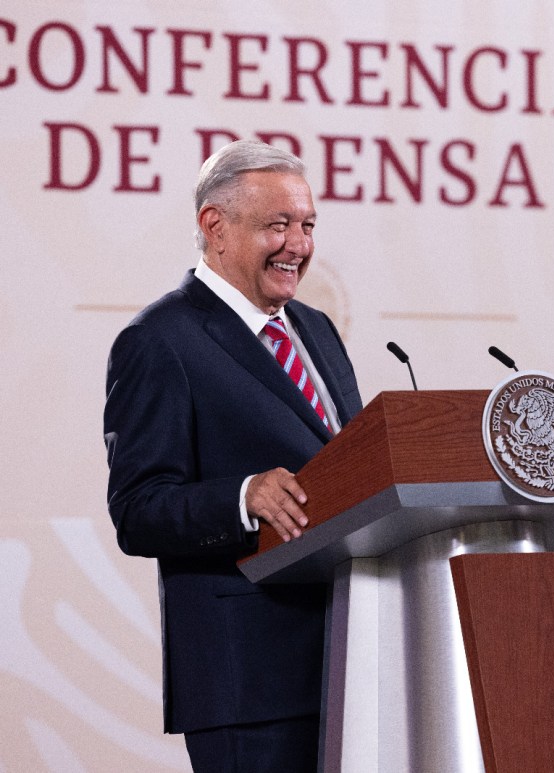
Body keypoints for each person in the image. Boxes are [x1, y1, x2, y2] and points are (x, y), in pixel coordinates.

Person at [103, 140, 363, 772]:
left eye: (306, 225)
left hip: (351, 663)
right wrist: (241, 496)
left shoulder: (316, 330)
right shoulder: (158, 342)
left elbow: (350, 464)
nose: (298, 245)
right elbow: (138, 510)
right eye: (278, 225)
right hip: (249, 683)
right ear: (213, 226)